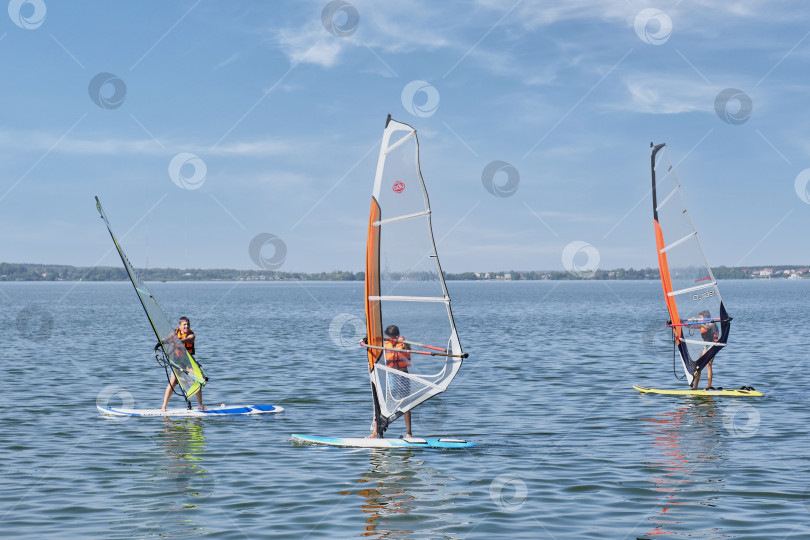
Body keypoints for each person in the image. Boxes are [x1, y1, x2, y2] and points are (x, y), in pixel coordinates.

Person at [367, 324, 413, 439]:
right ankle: (376, 432)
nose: (388, 339)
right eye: (387, 337)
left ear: (396, 336)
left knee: (405, 404)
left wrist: (405, 342)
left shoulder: (403, 343)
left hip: (403, 376)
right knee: (380, 402)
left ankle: (409, 433)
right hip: (391, 377)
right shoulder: (385, 344)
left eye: (390, 337)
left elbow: (409, 349)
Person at [160, 316, 206, 412]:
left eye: (188, 324)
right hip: (176, 360)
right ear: (179, 325)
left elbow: (186, 340)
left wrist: (177, 341)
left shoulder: (191, 335)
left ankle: (200, 405)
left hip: (187, 361)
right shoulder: (175, 333)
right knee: (172, 382)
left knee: (197, 380)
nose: (187, 326)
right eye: (184, 324)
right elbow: (166, 339)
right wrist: (161, 342)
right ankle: (164, 407)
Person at [692, 310, 719, 390]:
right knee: (699, 366)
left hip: (713, 345)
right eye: (699, 318)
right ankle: (695, 387)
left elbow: (707, 327)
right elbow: (691, 326)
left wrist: (697, 321)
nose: (700, 319)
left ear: (706, 317)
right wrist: (680, 321)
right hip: (705, 346)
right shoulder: (702, 324)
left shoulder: (712, 323)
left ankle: (709, 386)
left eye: (701, 318)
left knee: (708, 365)